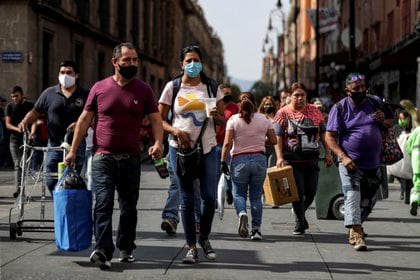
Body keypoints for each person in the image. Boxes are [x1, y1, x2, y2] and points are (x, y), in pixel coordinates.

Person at [65, 42, 163, 269]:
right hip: (102, 158)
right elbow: (84, 120)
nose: (131, 64)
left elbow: (156, 119)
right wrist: (72, 150)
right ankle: (102, 250)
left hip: (130, 158)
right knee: (103, 203)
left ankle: (126, 246)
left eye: (135, 60)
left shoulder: (144, 89)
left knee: (129, 207)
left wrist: (158, 142)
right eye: (127, 60)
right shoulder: (99, 88)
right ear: (115, 62)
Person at [158, 45, 225, 264]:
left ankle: (203, 236)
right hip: (180, 150)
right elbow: (158, 120)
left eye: (196, 60)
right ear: (182, 64)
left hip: (207, 148)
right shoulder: (172, 87)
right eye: (188, 60)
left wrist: (216, 115)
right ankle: (191, 247)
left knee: (209, 197)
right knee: (186, 199)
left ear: (202, 63)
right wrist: (174, 131)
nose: (192, 64)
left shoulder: (212, 87)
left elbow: (223, 119)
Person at [325, 72, 393, 251]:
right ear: (348, 91)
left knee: (369, 200)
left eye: (363, 87)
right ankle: (356, 234)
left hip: (374, 163)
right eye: (356, 89)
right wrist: (343, 157)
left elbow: (389, 122)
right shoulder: (339, 108)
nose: (361, 91)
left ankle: (356, 225)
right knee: (352, 196)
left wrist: (383, 121)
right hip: (350, 163)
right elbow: (329, 137)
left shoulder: (375, 102)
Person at [18, 60, 88, 195]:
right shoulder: (49, 93)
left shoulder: (85, 94)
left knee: (72, 180)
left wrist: (79, 124)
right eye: (62, 72)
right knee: (50, 179)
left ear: (77, 75)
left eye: (69, 72)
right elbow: (36, 111)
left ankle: (68, 208)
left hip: (76, 144)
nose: (65, 75)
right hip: (54, 144)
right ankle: (59, 201)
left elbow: (93, 117)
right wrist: (25, 121)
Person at [273, 82, 333, 236]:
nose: (300, 98)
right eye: (296, 95)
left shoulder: (314, 111)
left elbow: (323, 133)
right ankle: (300, 223)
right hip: (292, 160)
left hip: (312, 159)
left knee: (311, 192)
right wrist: (279, 157)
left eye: (302, 95)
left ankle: (299, 212)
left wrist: (328, 153)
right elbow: (278, 137)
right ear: (290, 96)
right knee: (298, 192)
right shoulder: (283, 113)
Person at [221, 92, 277, 240]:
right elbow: (274, 141)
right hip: (259, 159)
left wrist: (222, 162)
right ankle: (256, 230)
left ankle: (242, 213)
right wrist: (260, 141)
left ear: (239, 104)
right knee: (256, 196)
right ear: (255, 102)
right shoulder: (264, 119)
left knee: (238, 194)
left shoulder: (233, 120)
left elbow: (227, 143)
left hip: (239, 160)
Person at [5, 86, 34, 198]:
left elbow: (36, 120)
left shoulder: (29, 105)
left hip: (27, 139)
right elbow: (7, 124)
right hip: (14, 140)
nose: (14, 98)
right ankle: (19, 189)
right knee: (18, 164)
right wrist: (18, 129)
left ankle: (23, 189)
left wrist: (32, 132)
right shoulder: (10, 106)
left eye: (16, 96)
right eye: (12, 96)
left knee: (25, 165)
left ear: (22, 94)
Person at [215, 83, 239, 204]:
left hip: (228, 144)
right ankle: (214, 198)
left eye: (229, 94)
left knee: (229, 170)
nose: (228, 96)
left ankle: (230, 191)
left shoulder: (235, 107)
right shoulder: (214, 106)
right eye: (225, 94)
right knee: (214, 172)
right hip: (213, 143)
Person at [387, 110, 413, 202]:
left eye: (403, 118)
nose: (401, 120)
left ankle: (407, 193)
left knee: (407, 176)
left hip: (408, 157)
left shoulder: (412, 130)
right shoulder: (396, 128)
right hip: (397, 156)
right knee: (399, 174)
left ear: (408, 119)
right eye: (400, 118)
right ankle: (404, 190)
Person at [258, 95, 278, 167]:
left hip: (274, 149)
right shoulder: (259, 119)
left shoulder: (278, 118)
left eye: (270, 104)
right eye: (266, 104)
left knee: (271, 168)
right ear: (263, 106)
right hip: (262, 149)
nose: (268, 106)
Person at [406, 126, 420, 216]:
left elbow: (408, 146)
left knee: (417, 182)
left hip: (417, 160)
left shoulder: (417, 130)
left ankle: (415, 199)